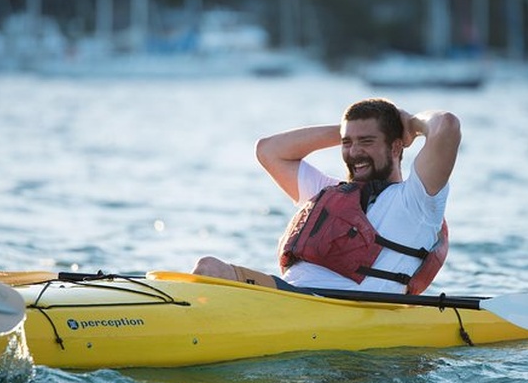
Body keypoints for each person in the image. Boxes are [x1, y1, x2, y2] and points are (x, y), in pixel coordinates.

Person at [192, 98, 461, 295]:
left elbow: (446, 126)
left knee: (210, 269)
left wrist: (410, 125)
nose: (354, 152)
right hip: (291, 297)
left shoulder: (416, 201)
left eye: (366, 141)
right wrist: (346, 130)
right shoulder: (324, 189)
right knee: (206, 270)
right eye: (348, 143)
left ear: (395, 146)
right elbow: (268, 150)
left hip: (336, 308)